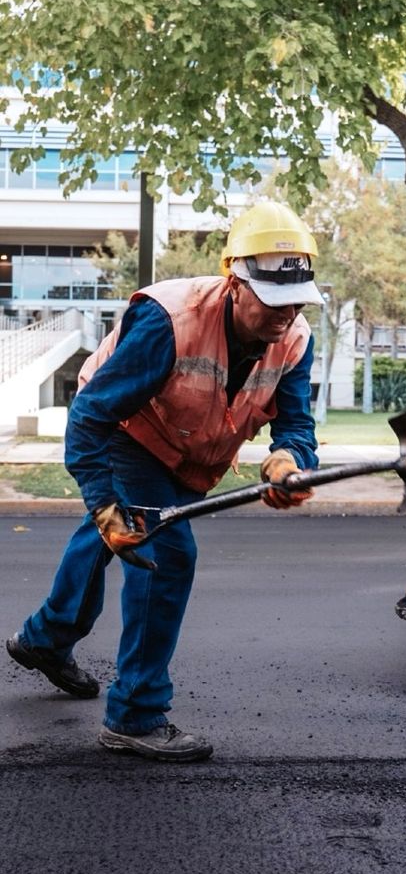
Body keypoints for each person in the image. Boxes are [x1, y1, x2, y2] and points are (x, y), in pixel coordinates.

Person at [6, 201, 323, 762]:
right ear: (235, 283)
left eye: (296, 301)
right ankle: (135, 714)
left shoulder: (295, 338)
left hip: (188, 445)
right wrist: (106, 505)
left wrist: (288, 461)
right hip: (129, 430)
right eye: (273, 299)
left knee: (114, 535)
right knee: (165, 552)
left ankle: (45, 639)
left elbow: (296, 423)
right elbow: (91, 416)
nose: (286, 313)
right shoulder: (169, 321)